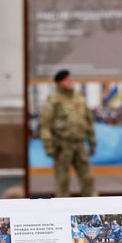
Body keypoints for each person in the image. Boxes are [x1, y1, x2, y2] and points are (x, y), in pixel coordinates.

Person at [39, 69, 96, 197]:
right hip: (62, 145)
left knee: (87, 178)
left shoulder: (79, 98)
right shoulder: (53, 101)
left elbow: (88, 121)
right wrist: (49, 147)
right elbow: (45, 125)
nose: (71, 82)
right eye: (67, 80)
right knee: (62, 180)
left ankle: (92, 206)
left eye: (71, 79)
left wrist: (92, 141)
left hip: (79, 144)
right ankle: (62, 208)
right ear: (60, 82)